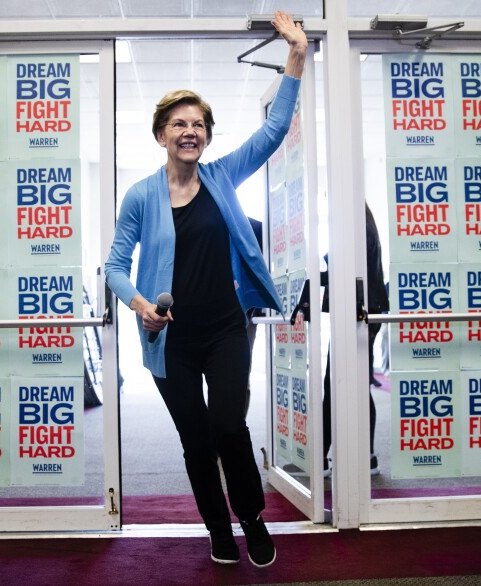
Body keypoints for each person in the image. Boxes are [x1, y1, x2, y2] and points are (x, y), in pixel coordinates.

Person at [104, 11, 307, 568]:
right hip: (170, 340)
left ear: (207, 135)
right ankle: (217, 529)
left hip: (224, 328)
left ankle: (251, 518)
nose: (189, 131)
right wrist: (141, 305)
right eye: (178, 124)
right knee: (196, 441)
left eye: (198, 124)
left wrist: (296, 57)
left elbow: (271, 134)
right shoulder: (141, 197)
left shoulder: (220, 176)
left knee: (227, 426)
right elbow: (115, 266)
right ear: (161, 135)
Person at [322, 204, 389, 476]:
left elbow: (348, 271)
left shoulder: (356, 228)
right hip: (363, 311)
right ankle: (365, 455)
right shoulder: (363, 224)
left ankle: (322, 457)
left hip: (358, 313)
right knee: (355, 385)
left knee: (334, 386)